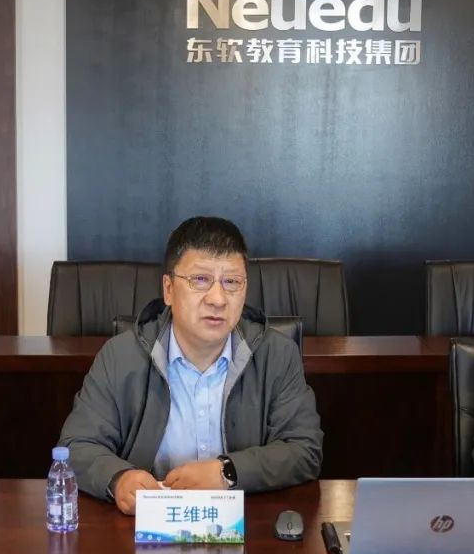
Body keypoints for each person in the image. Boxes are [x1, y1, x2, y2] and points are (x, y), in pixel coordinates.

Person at [58, 216, 323, 514]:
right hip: (147, 526)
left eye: (231, 282)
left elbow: (304, 449)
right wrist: (118, 479)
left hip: (249, 526)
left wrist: (228, 472)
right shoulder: (120, 356)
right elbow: (76, 446)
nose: (217, 299)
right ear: (169, 289)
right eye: (200, 280)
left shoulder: (277, 355)